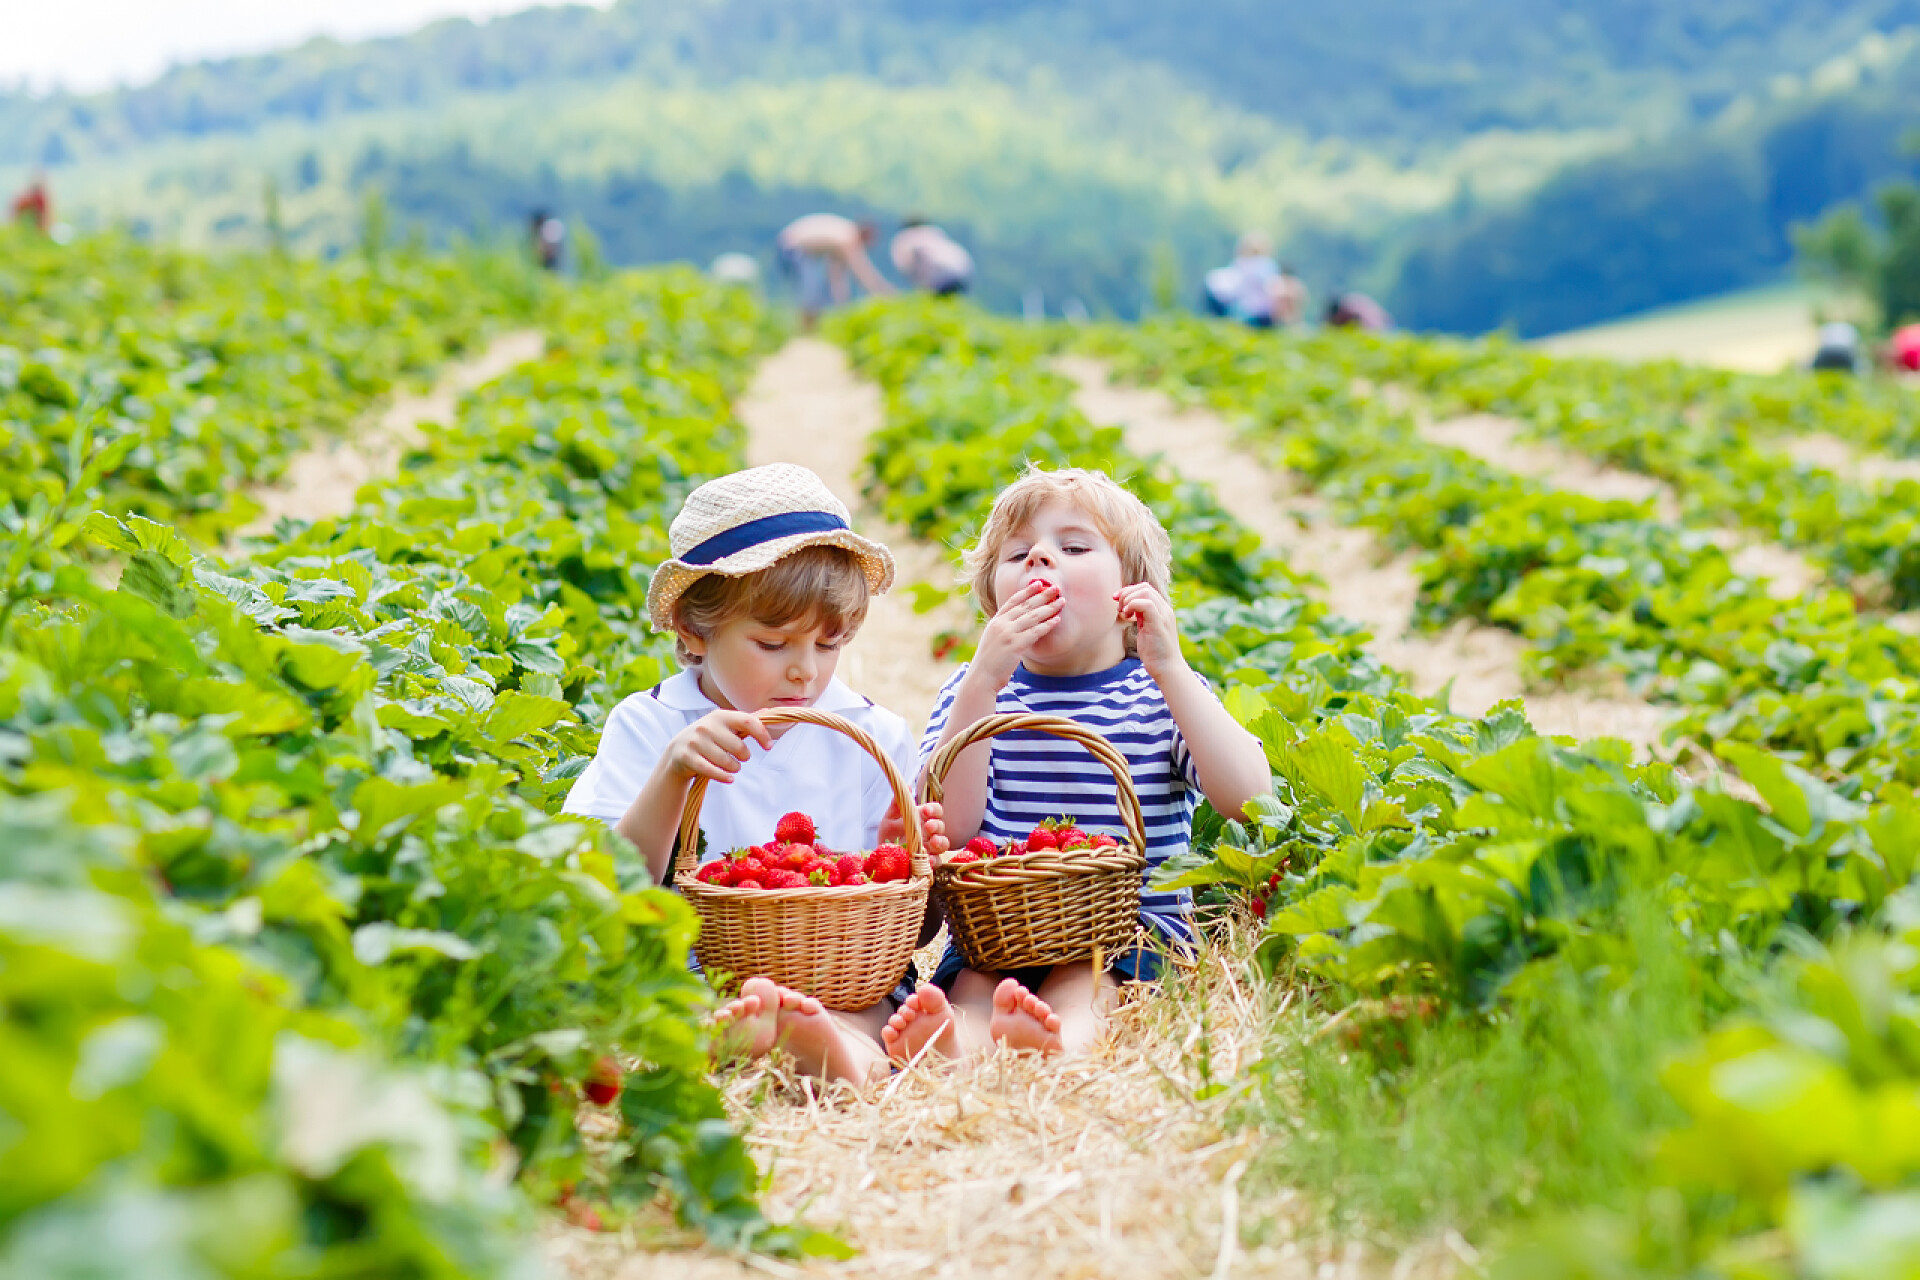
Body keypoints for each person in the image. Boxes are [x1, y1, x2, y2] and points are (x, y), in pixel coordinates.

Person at [560, 463, 950, 1084]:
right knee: (671, 1003)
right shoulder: (651, 724)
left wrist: (900, 859)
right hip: (702, 970)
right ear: (694, 629)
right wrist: (672, 775)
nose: (805, 671)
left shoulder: (871, 735)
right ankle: (762, 1034)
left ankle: (836, 1052)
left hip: (843, 971)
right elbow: (607, 887)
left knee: (874, 1007)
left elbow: (915, 932)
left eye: (828, 645)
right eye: (773, 644)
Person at [881, 466, 1268, 1064]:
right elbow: (948, 828)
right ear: (993, 600)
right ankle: (957, 1041)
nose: (1039, 559)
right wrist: (983, 681)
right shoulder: (973, 690)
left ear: (1131, 594)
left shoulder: (1158, 694)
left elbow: (1248, 800)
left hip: (1127, 931)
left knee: (1086, 983)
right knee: (975, 984)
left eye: (1074, 547)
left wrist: (1171, 669)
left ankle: (1062, 1041)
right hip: (998, 928)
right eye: (1017, 555)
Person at [776, 213, 894, 329]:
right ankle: (806, 330)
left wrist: (842, 305)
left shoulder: (841, 238)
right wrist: (884, 294)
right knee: (811, 291)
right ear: (865, 234)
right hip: (792, 247)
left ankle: (809, 329)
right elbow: (862, 273)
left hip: (790, 245)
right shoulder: (848, 239)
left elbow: (836, 276)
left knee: (816, 291)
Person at [1201, 231, 1280, 328]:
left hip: (1238, 310)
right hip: (1259, 313)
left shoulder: (1239, 263)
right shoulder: (1266, 265)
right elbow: (1272, 289)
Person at [890, 218, 974, 296]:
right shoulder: (934, 233)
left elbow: (908, 263)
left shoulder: (908, 238)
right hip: (964, 272)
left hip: (941, 277)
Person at [1326, 291, 1393, 332]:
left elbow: (1368, 320)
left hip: (1378, 327)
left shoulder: (1350, 308)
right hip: (1384, 323)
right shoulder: (1349, 302)